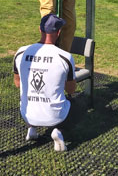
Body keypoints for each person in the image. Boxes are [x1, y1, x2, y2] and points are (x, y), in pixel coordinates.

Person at [13, 14, 76, 152]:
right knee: (73, 101)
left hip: (27, 114)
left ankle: (31, 128)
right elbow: (71, 89)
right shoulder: (65, 57)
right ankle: (58, 131)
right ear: (58, 33)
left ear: (39, 29)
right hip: (56, 116)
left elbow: (17, 83)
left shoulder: (21, 52)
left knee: (25, 96)